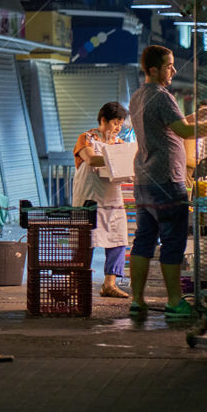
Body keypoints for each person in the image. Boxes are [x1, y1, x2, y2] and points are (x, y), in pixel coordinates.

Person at [128, 45, 207, 319]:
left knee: (143, 241)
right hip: (167, 180)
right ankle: (174, 302)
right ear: (153, 69)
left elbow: (174, 122)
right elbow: (183, 131)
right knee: (172, 242)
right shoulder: (162, 95)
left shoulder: (138, 96)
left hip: (144, 181)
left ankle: (137, 300)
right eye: (169, 65)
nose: (174, 70)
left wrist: (205, 114)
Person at [72, 101, 130, 299]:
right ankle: (78, 282)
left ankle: (109, 284)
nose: (118, 128)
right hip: (88, 198)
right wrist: (119, 157)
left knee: (118, 238)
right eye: (115, 123)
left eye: (121, 124)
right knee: (86, 240)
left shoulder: (120, 145)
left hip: (112, 198)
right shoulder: (86, 138)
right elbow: (91, 160)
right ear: (103, 120)